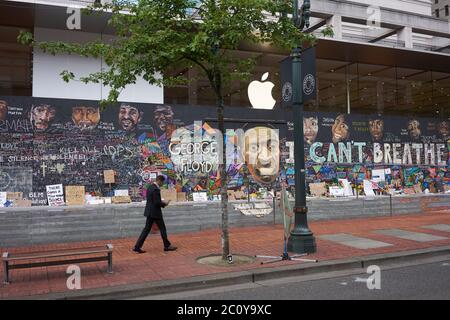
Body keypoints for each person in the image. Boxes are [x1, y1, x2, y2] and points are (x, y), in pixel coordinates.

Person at [133, 175, 177, 253]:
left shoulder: (150, 187)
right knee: (162, 228)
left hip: (149, 212)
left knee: (146, 230)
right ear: (159, 181)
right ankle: (167, 246)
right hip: (155, 213)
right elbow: (157, 202)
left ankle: (137, 246)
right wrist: (165, 203)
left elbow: (152, 200)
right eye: (162, 182)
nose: (162, 184)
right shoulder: (156, 189)